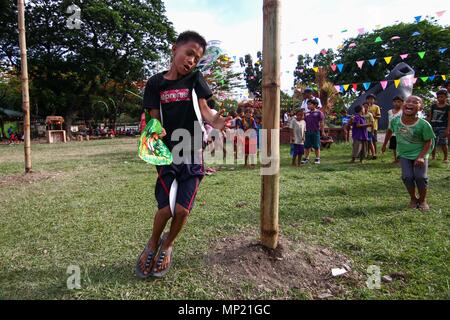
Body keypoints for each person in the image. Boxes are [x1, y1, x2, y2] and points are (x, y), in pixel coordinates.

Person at [137, 31, 229, 279]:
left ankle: (167, 246)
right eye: (189, 53)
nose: (191, 61)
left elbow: (206, 110)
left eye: (196, 58)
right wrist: (155, 131)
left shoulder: (195, 79)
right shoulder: (156, 83)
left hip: (193, 152)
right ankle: (152, 243)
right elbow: (153, 118)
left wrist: (216, 121)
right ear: (175, 48)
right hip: (167, 153)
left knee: (182, 210)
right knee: (166, 209)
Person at [382, 96, 435, 212]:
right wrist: (384, 143)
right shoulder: (395, 121)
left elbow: (428, 141)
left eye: (415, 102)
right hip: (404, 154)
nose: (410, 103)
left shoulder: (424, 124)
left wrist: (421, 157)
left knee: (421, 177)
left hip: (420, 154)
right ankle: (413, 199)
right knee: (407, 177)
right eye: (407, 101)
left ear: (420, 108)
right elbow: (390, 130)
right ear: (403, 105)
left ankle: (422, 200)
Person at [427, 89, 450, 163]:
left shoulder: (448, 107)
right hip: (433, 126)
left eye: (442, 97)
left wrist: (448, 129)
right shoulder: (433, 106)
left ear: (446, 97)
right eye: (438, 97)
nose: (440, 99)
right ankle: (433, 157)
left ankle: (446, 158)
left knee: (444, 142)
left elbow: (449, 119)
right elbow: (430, 117)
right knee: (433, 142)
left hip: (443, 127)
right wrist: (428, 126)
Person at [301, 99, 325, 164]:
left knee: (316, 146)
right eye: (307, 104)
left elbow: (322, 123)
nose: (308, 106)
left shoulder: (319, 113)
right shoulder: (306, 114)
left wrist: (322, 132)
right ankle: (306, 158)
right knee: (306, 146)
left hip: (316, 132)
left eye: (310, 104)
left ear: (315, 105)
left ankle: (317, 158)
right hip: (307, 132)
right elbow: (303, 122)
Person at [388, 96, 404, 163]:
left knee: (401, 146)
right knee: (394, 146)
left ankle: (402, 159)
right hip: (392, 131)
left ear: (402, 103)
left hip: (401, 132)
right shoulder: (389, 112)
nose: (396, 103)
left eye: (398, 102)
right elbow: (389, 121)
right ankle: (396, 159)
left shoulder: (403, 112)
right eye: (395, 102)